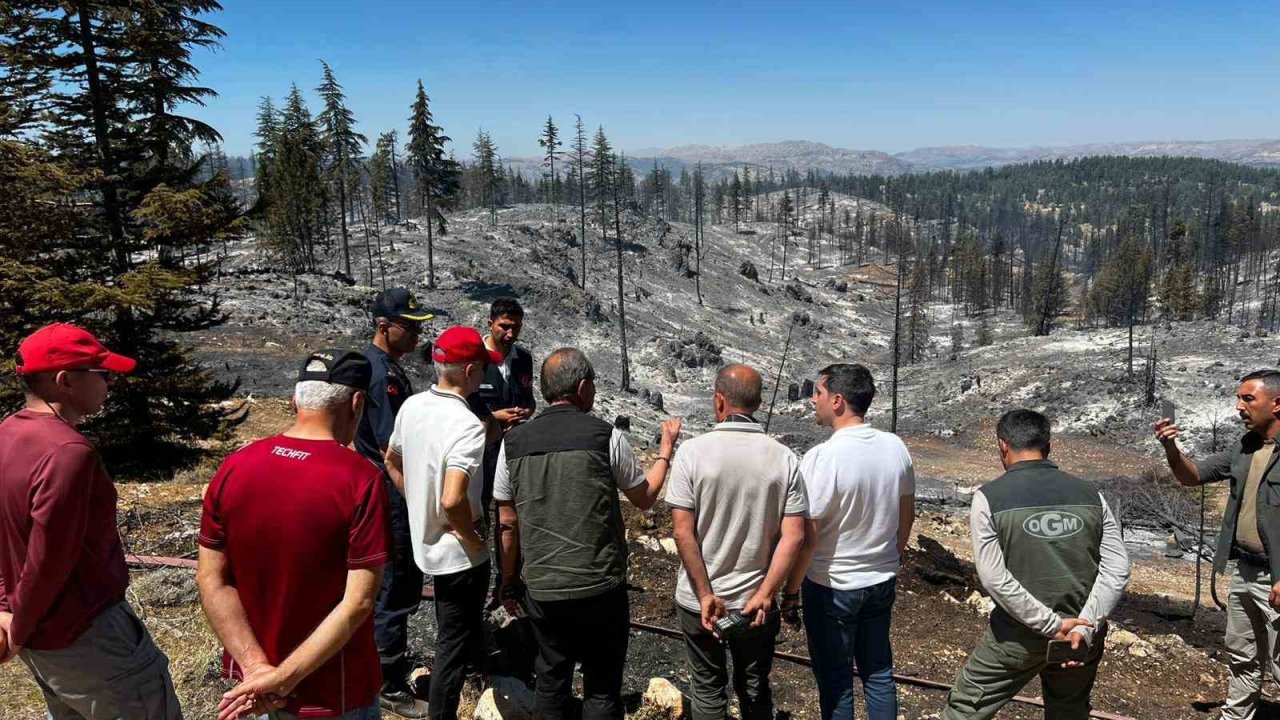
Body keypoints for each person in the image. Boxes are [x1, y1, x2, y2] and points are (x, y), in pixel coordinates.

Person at [0, 323, 183, 719]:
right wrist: (19, 629)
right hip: (89, 635)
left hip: (44, 639)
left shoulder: (7, 434)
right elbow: (50, 559)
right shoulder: (69, 453)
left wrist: (9, 609)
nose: (108, 384)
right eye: (101, 374)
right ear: (65, 381)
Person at [198, 349, 390, 720]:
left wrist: (257, 670)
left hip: (254, 685)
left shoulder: (236, 466)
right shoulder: (360, 479)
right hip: (335, 688)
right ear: (357, 403)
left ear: (294, 400)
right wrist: (282, 679)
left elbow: (211, 578)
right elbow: (359, 603)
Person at [494, 348, 681, 720]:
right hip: (600, 587)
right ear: (583, 388)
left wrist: (509, 578)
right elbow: (643, 498)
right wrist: (665, 452)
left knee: (550, 681)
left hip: (543, 588)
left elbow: (507, 522)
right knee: (601, 688)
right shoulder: (604, 436)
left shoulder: (512, 444)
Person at [942, 409, 1129, 720]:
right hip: (1080, 636)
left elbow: (994, 578)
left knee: (965, 708)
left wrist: (1052, 625)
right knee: (1069, 710)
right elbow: (1117, 569)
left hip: (1018, 637)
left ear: (1002, 445)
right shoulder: (1092, 495)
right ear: (1049, 445)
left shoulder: (989, 498)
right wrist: (1085, 625)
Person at [666, 364, 807, 720]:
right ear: (758, 403)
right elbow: (795, 536)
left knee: (708, 689)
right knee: (755, 688)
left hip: (699, 603)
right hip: (754, 605)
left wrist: (704, 595)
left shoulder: (691, 453)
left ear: (718, 402)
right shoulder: (785, 458)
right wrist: (767, 593)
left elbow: (683, 531)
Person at [784, 363, 913, 720]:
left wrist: (791, 591)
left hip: (832, 585)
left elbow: (807, 539)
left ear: (837, 400)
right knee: (879, 673)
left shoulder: (822, 457)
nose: (814, 401)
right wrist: (891, 557)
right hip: (881, 577)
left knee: (837, 681)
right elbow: (907, 514)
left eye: (819, 393)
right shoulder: (895, 446)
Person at [385, 326, 502, 720]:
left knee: (450, 631)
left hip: (424, 543)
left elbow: (391, 459)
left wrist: (417, 502)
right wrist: (471, 536)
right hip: (460, 553)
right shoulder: (467, 425)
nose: (485, 376)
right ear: (470, 371)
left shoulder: (412, 406)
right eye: (483, 369)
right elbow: (453, 498)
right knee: (453, 641)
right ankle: (442, 713)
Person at [1156, 369, 1280, 720]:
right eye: (1239, 398)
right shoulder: (1245, 446)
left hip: (1276, 577)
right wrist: (1170, 447)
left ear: (1277, 403)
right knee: (1241, 654)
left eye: (1247, 399)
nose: (1239, 407)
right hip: (1244, 570)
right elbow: (1193, 476)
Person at [358, 287, 433, 718]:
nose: (416, 337)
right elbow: (392, 445)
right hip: (390, 489)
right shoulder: (380, 374)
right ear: (384, 328)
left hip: (383, 486)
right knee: (397, 581)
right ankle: (386, 681)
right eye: (410, 328)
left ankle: (382, 664)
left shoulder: (384, 368)